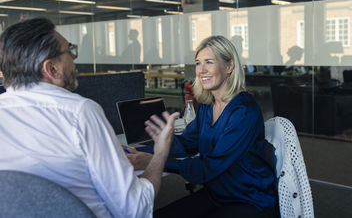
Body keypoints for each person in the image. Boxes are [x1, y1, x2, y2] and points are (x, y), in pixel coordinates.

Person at [0, 17, 179, 218]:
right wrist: (160, 154)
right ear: (52, 69)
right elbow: (134, 209)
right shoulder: (79, 112)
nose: (74, 58)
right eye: (69, 51)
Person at [129, 35, 278, 218]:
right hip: (217, 194)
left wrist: (155, 161)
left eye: (209, 62)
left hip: (249, 200)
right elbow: (186, 143)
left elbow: (209, 167)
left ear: (229, 66)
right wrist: (140, 149)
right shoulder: (207, 105)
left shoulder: (244, 112)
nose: (202, 70)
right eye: (198, 63)